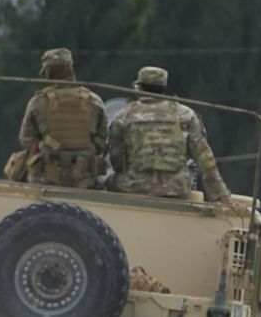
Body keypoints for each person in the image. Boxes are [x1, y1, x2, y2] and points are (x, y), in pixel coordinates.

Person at [108, 66, 237, 205]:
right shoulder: (185, 114)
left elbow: (116, 161)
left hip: (135, 186)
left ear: (139, 87)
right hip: (177, 188)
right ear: (163, 87)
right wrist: (220, 195)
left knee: (109, 181)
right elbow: (205, 158)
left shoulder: (123, 116)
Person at [15, 48, 108, 188]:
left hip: (46, 180)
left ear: (48, 72)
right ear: (71, 71)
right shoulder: (94, 101)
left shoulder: (38, 102)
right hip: (85, 180)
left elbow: (26, 140)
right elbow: (102, 142)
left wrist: (47, 145)